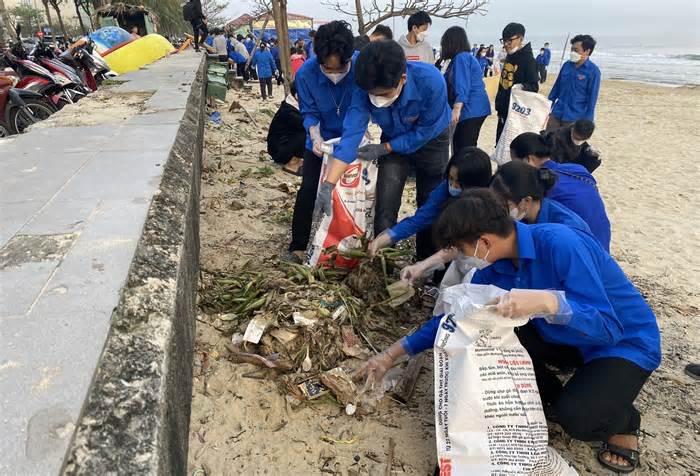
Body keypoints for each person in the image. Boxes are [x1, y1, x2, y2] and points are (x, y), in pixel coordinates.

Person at [360, 189, 661, 474]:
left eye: (464, 250)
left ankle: (625, 419)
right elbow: (457, 319)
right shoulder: (497, 268)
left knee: (578, 419)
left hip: (623, 342)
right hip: (565, 339)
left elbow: (607, 325)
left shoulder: (560, 243)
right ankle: (566, 393)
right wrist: (391, 355)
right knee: (480, 331)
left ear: (485, 242)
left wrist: (548, 300)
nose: (464, 259)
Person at [327, 40, 451, 261]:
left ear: (402, 79)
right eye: (372, 95)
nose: (376, 100)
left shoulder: (432, 82)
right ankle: (382, 261)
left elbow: (423, 133)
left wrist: (385, 147)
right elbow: (352, 133)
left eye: (383, 94)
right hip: (392, 138)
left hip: (433, 140)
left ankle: (426, 262)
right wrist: (328, 186)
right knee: (386, 199)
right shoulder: (365, 82)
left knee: (430, 201)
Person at [286, 20, 358, 261]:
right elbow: (308, 111)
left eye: (339, 69)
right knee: (309, 189)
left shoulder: (360, 68)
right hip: (318, 141)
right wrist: (314, 134)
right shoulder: (307, 73)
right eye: (328, 68)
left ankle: (349, 242)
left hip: (351, 139)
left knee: (352, 193)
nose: (334, 74)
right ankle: (298, 245)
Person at [368, 146, 492, 256]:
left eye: (459, 183)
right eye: (450, 178)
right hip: (450, 251)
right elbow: (420, 219)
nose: (453, 186)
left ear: (475, 184)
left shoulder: (489, 207)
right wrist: (385, 238)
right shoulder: (444, 190)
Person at [510, 132, 611, 251]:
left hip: (581, 249)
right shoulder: (577, 169)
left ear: (528, 159)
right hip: (603, 240)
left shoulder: (539, 185)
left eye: (515, 163)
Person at [491, 160, 591, 234]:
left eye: (504, 205)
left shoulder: (564, 230)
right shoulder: (527, 215)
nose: (498, 210)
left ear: (526, 201)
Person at [440, 27, 491, 153]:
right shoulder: (462, 58)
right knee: (463, 146)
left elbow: (462, 85)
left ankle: (466, 172)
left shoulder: (461, 58)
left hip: (471, 109)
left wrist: (457, 109)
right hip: (476, 108)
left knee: (463, 149)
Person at [495, 22, 539, 143]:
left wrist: (522, 86)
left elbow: (534, 87)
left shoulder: (529, 60)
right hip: (503, 109)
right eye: (503, 40)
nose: (506, 44)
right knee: (500, 144)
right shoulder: (510, 56)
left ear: (521, 39)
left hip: (516, 113)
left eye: (510, 40)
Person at [547, 34, 601, 131]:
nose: (572, 52)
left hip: (575, 117)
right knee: (548, 140)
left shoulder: (593, 71)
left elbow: (592, 98)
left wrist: (588, 120)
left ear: (587, 51)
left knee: (566, 145)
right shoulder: (566, 65)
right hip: (557, 112)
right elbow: (556, 88)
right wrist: (547, 106)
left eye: (576, 50)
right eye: (571, 49)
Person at [267, 81, 305, 175]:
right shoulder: (289, 112)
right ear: (297, 95)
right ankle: (293, 164)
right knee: (309, 130)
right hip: (279, 151)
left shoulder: (292, 104)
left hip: (285, 145)